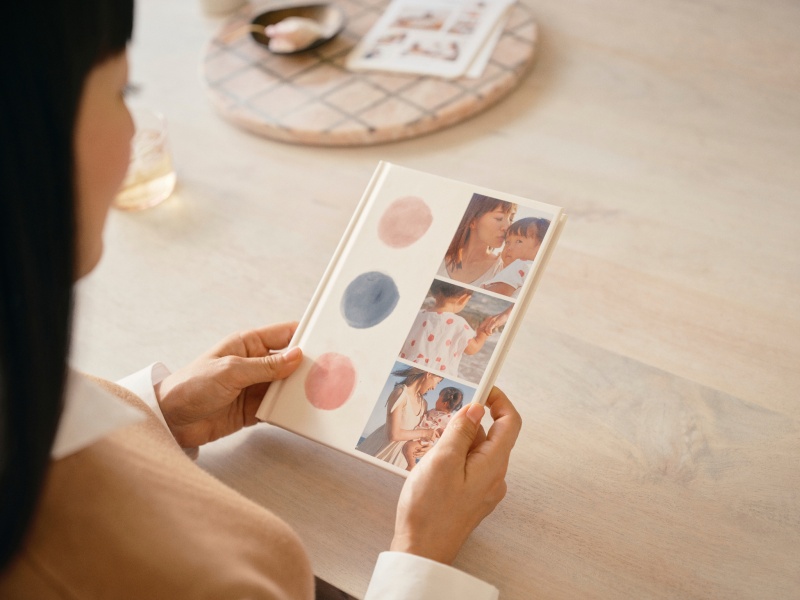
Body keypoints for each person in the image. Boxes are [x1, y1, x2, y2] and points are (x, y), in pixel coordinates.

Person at [0, 1, 522, 598]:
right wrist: (424, 557)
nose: (134, 132)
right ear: (27, 141)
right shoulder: (165, 575)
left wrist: (156, 416)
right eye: (124, 92)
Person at [399, 280, 508, 378]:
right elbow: (472, 349)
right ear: (464, 299)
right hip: (436, 373)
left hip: (407, 367)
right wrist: (483, 333)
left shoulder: (418, 315)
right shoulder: (458, 324)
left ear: (434, 291)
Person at [356, 368, 442, 469]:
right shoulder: (401, 393)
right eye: (437, 382)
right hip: (378, 455)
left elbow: (414, 436)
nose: (434, 388)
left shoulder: (424, 404)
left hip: (399, 462)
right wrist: (425, 433)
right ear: (429, 374)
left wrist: (427, 447)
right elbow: (394, 435)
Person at [438, 193, 517, 286]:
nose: (508, 227)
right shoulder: (439, 255)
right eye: (499, 218)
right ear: (472, 221)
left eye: (511, 219)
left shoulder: (502, 271)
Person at [482, 217, 551, 298]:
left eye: (519, 241)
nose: (509, 247)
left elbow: (498, 293)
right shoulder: (533, 271)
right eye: (507, 242)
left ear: (541, 248)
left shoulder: (520, 264)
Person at [402, 386, 464, 471]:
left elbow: (448, 435)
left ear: (445, 403)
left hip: (426, 439)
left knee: (408, 447)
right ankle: (414, 465)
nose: (436, 400)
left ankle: (411, 466)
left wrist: (439, 431)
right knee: (407, 448)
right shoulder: (433, 411)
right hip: (419, 433)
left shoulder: (449, 418)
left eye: (439, 397)